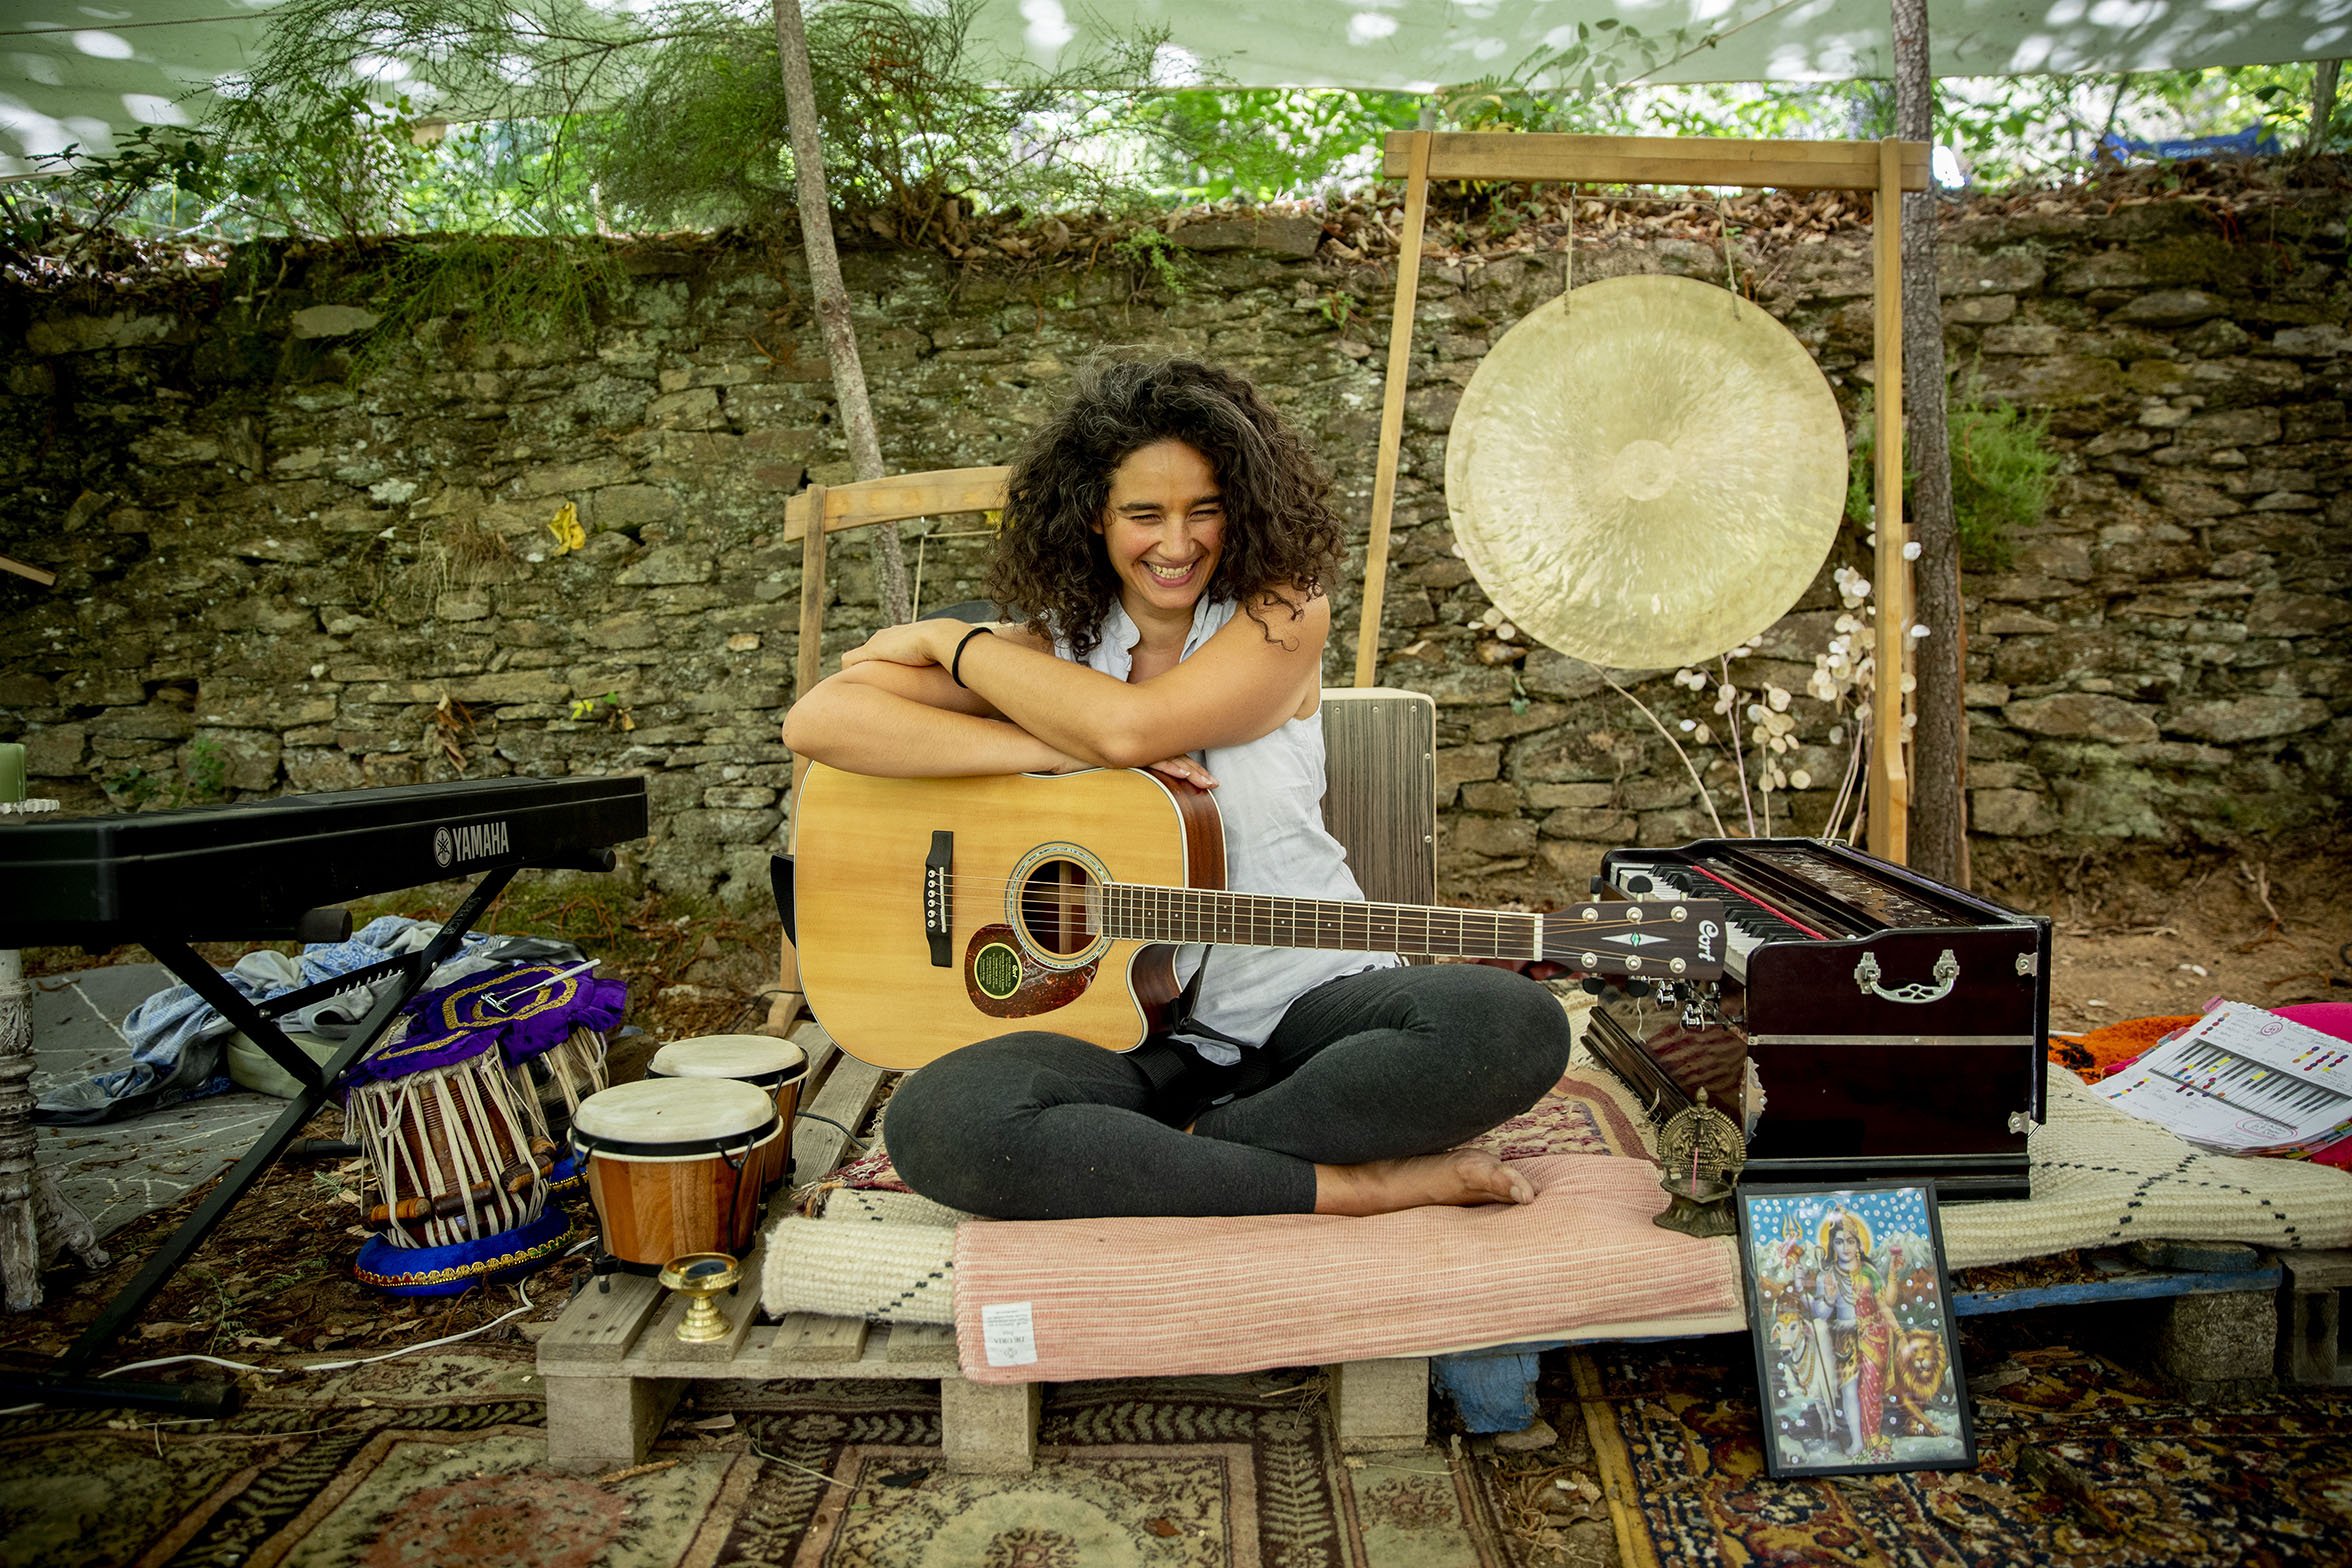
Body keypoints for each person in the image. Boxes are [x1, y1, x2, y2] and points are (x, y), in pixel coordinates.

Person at [781, 357, 1573, 1221]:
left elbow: (1130, 730)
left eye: (1205, 509)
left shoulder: (1282, 614)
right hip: (1128, 1036)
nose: (1177, 543)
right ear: (1093, 514)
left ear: (1243, 507)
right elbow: (822, 719)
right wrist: (1049, 751)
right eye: (1143, 514)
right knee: (943, 1121)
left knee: (1510, 1026)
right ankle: (1340, 1184)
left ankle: (1168, 1157)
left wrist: (951, 641)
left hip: (1311, 1006)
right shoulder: (1050, 651)